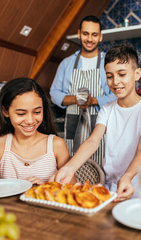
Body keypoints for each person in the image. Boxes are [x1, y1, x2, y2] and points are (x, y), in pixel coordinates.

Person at [50, 44, 141, 201]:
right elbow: (93, 141)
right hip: (111, 186)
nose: (115, 82)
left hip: (139, 187)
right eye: (109, 76)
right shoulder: (107, 109)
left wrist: (127, 176)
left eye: (122, 74)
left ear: (137, 74)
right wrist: (69, 168)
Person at [0, 78, 72, 185]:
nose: (30, 121)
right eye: (21, 114)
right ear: (5, 112)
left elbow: (72, 190)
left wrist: (46, 189)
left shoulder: (56, 145)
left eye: (37, 112)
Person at [50, 15, 116, 165]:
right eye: (85, 34)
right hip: (73, 123)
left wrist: (94, 100)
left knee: (99, 166)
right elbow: (54, 93)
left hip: (101, 124)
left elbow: (116, 95)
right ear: (79, 34)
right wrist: (76, 99)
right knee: (73, 165)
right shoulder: (66, 64)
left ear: (100, 37)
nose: (89, 39)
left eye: (94, 35)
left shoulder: (109, 63)